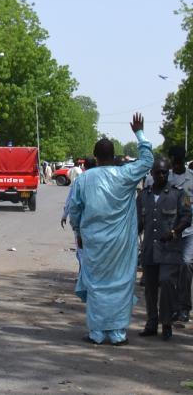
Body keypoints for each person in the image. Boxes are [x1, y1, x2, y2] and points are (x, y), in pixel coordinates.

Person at [68, 113, 153, 345]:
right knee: (121, 283)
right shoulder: (125, 175)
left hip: (94, 241)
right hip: (122, 242)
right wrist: (140, 133)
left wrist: (79, 233)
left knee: (96, 285)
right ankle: (118, 334)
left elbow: (74, 210)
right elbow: (147, 161)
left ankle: (96, 333)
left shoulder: (83, 180)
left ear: (95, 157)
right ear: (114, 156)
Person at [137, 158, 191, 340]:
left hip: (169, 249)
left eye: (164, 172)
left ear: (168, 173)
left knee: (167, 283)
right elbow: (138, 223)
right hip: (149, 250)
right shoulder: (144, 195)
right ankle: (152, 322)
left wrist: (174, 231)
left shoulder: (178, 194)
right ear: (151, 174)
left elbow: (186, 217)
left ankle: (166, 323)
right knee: (150, 288)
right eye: (158, 172)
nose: (161, 175)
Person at [166, 146, 193, 323]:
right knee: (170, 269)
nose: (175, 166)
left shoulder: (192, 178)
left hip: (189, 231)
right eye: (173, 162)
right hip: (169, 230)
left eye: (178, 162)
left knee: (186, 263)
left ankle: (184, 307)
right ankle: (172, 306)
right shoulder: (164, 177)